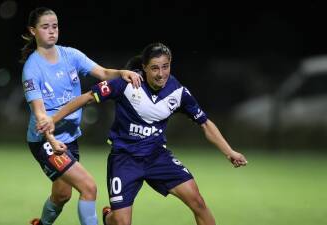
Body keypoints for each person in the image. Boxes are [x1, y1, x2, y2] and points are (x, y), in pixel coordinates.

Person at [38, 42, 248, 225]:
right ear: (145, 68)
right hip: (125, 159)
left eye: (165, 67)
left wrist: (229, 151)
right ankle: (109, 217)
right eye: (155, 68)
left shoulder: (178, 92)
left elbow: (205, 123)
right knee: (120, 222)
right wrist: (52, 119)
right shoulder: (126, 84)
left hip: (157, 157)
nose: (161, 73)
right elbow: (87, 98)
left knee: (198, 202)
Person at [20, 7, 142, 225]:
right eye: (45, 27)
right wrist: (52, 140)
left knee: (62, 195)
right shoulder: (32, 68)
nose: (51, 31)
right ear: (33, 31)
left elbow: (103, 73)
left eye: (55, 26)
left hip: (69, 139)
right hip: (46, 141)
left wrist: (121, 73)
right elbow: (40, 115)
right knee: (89, 187)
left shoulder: (70, 55)